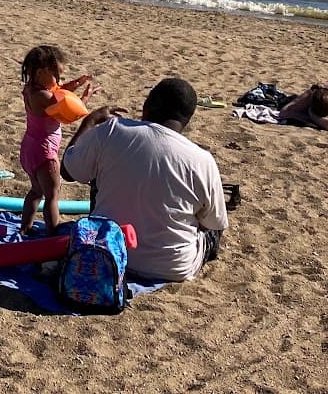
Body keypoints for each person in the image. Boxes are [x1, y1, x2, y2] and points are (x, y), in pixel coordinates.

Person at [61, 77, 229, 283]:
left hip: (107, 253)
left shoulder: (112, 130)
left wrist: (90, 122)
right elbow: (213, 222)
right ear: (187, 119)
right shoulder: (202, 160)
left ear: (148, 105)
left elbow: (68, 172)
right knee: (213, 222)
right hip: (172, 267)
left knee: (100, 174)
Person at [17, 45, 99, 237]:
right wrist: (85, 98)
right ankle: (53, 234)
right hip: (44, 151)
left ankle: (25, 227)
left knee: (36, 191)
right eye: (57, 75)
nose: (59, 81)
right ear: (41, 72)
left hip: (30, 147)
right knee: (53, 196)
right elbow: (70, 112)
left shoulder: (32, 89)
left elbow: (59, 89)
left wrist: (77, 83)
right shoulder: (43, 96)